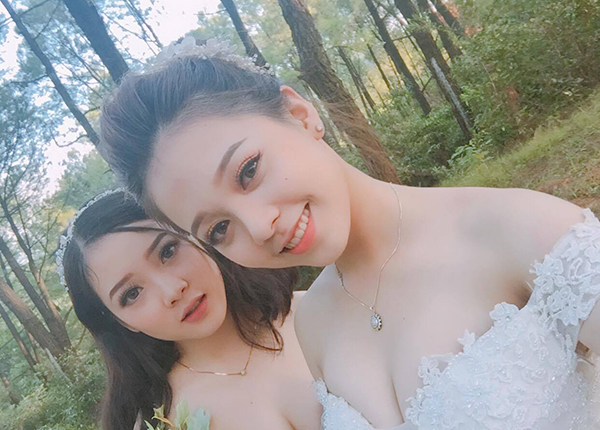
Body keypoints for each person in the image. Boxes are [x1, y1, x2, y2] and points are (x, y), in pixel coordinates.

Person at [98, 39, 600, 429]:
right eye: (219, 228)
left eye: (248, 170)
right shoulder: (314, 322)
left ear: (301, 115)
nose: (259, 225)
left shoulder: (514, 229)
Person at [59, 189, 321, 430]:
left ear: (191, 233)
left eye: (167, 251)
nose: (173, 290)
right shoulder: (164, 421)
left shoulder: (318, 309)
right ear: (122, 322)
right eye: (132, 294)